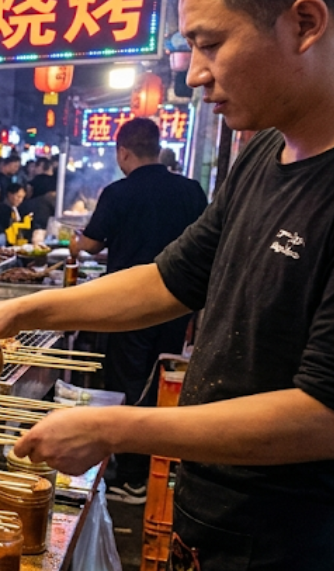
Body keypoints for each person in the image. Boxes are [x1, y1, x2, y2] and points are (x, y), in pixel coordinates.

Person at [0, 0, 334, 571]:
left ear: (304, 23)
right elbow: (168, 278)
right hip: (212, 527)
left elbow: (324, 417)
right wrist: (17, 310)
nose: (193, 74)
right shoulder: (261, 159)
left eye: (210, 43)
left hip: (294, 553)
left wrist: (115, 430)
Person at [72, 118, 208, 503]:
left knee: (127, 383)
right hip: (175, 305)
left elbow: (93, 245)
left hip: (127, 307)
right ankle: (148, 469)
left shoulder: (118, 192)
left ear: (124, 152)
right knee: (159, 381)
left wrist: (75, 245)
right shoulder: (192, 191)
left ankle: (131, 478)